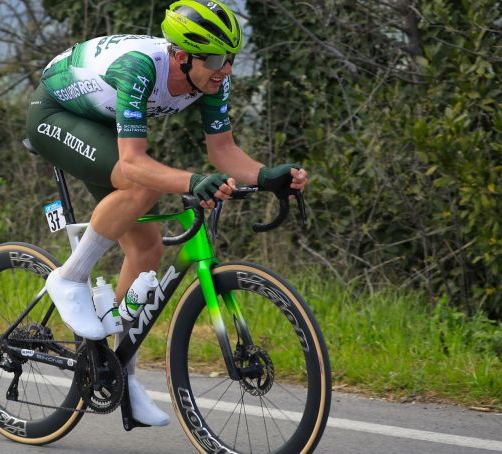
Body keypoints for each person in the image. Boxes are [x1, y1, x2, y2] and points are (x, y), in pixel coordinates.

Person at [25, 0, 309, 427]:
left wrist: (268, 177)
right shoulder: (141, 68)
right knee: (140, 182)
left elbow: (224, 150)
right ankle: (68, 278)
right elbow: (135, 164)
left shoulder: (212, 78)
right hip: (56, 114)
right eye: (214, 59)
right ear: (181, 56)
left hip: (104, 125)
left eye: (230, 58)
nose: (225, 68)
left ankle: (120, 371)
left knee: (147, 251)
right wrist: (194, 181)